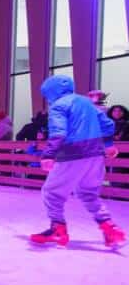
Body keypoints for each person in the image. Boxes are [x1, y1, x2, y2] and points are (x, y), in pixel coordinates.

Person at [30, 75, 125, 249]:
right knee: (88, 194)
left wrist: (48, 155)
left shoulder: (59, 106)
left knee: (51, 193)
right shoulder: (87, 103)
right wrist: (109, 145)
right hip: (95, 155)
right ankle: (110, 228)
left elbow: (59, 132)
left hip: (72, 153)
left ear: (51, 92)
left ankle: (58, 230)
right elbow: (107, 124)